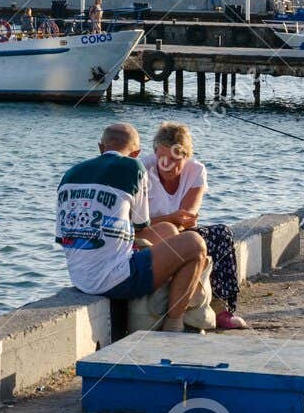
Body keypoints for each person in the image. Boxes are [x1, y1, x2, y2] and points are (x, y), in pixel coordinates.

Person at [56, 122, 210, 331]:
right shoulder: (133, 168)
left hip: (79, 277)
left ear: (101, 147)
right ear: (136, 152)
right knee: (195, 244)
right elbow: (140, 226)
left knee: (168, 232)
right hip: (116, 277)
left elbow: (62, 238)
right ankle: (174, 323)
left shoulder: (71, 174)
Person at [140, 122, 247, 330]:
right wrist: (171, 218)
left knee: (221, 234)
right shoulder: (142, 169)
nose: (167, 165)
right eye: (161, 157)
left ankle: (222, 309)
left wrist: (176, 221)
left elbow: (187, 219)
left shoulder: (196, 170)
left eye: (175, 159)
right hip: (148, 235)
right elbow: (135, 223)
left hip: (182, 234)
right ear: (155, 152)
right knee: (172, 233)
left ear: (186, 156)